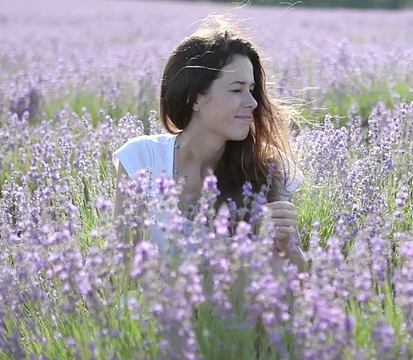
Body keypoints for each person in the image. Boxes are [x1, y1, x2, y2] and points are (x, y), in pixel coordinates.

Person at [111, 14, 308, 301]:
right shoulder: (143, 160)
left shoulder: (262, 169)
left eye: (251, 90)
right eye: (236, 89)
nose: (252, 103)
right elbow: (119, 272)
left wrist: (289, 247)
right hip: (156, 323)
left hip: (233, 327)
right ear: (196, 98)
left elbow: (299, 287)